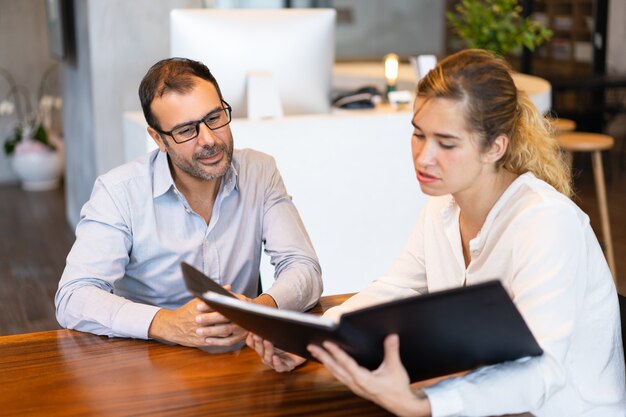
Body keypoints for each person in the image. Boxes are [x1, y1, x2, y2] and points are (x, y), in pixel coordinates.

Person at [248, 49, 626, 416]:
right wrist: (311, 340)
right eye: (418, 134)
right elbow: (394, 289)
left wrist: (427, 405)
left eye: (446, 143)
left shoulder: (546, 222)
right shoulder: (442, 208)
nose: (424, 157)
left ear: (496, 147)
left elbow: (543, 372)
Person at [55, 57, 322, 350]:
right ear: (158, 139)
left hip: (241, 358)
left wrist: (260, 310)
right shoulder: (119, 192)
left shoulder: (260, 171)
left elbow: (303, 267)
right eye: (185, 131)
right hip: (151, 359)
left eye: (214, 118)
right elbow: (74, 296)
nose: (208, 139)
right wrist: (165, 323)